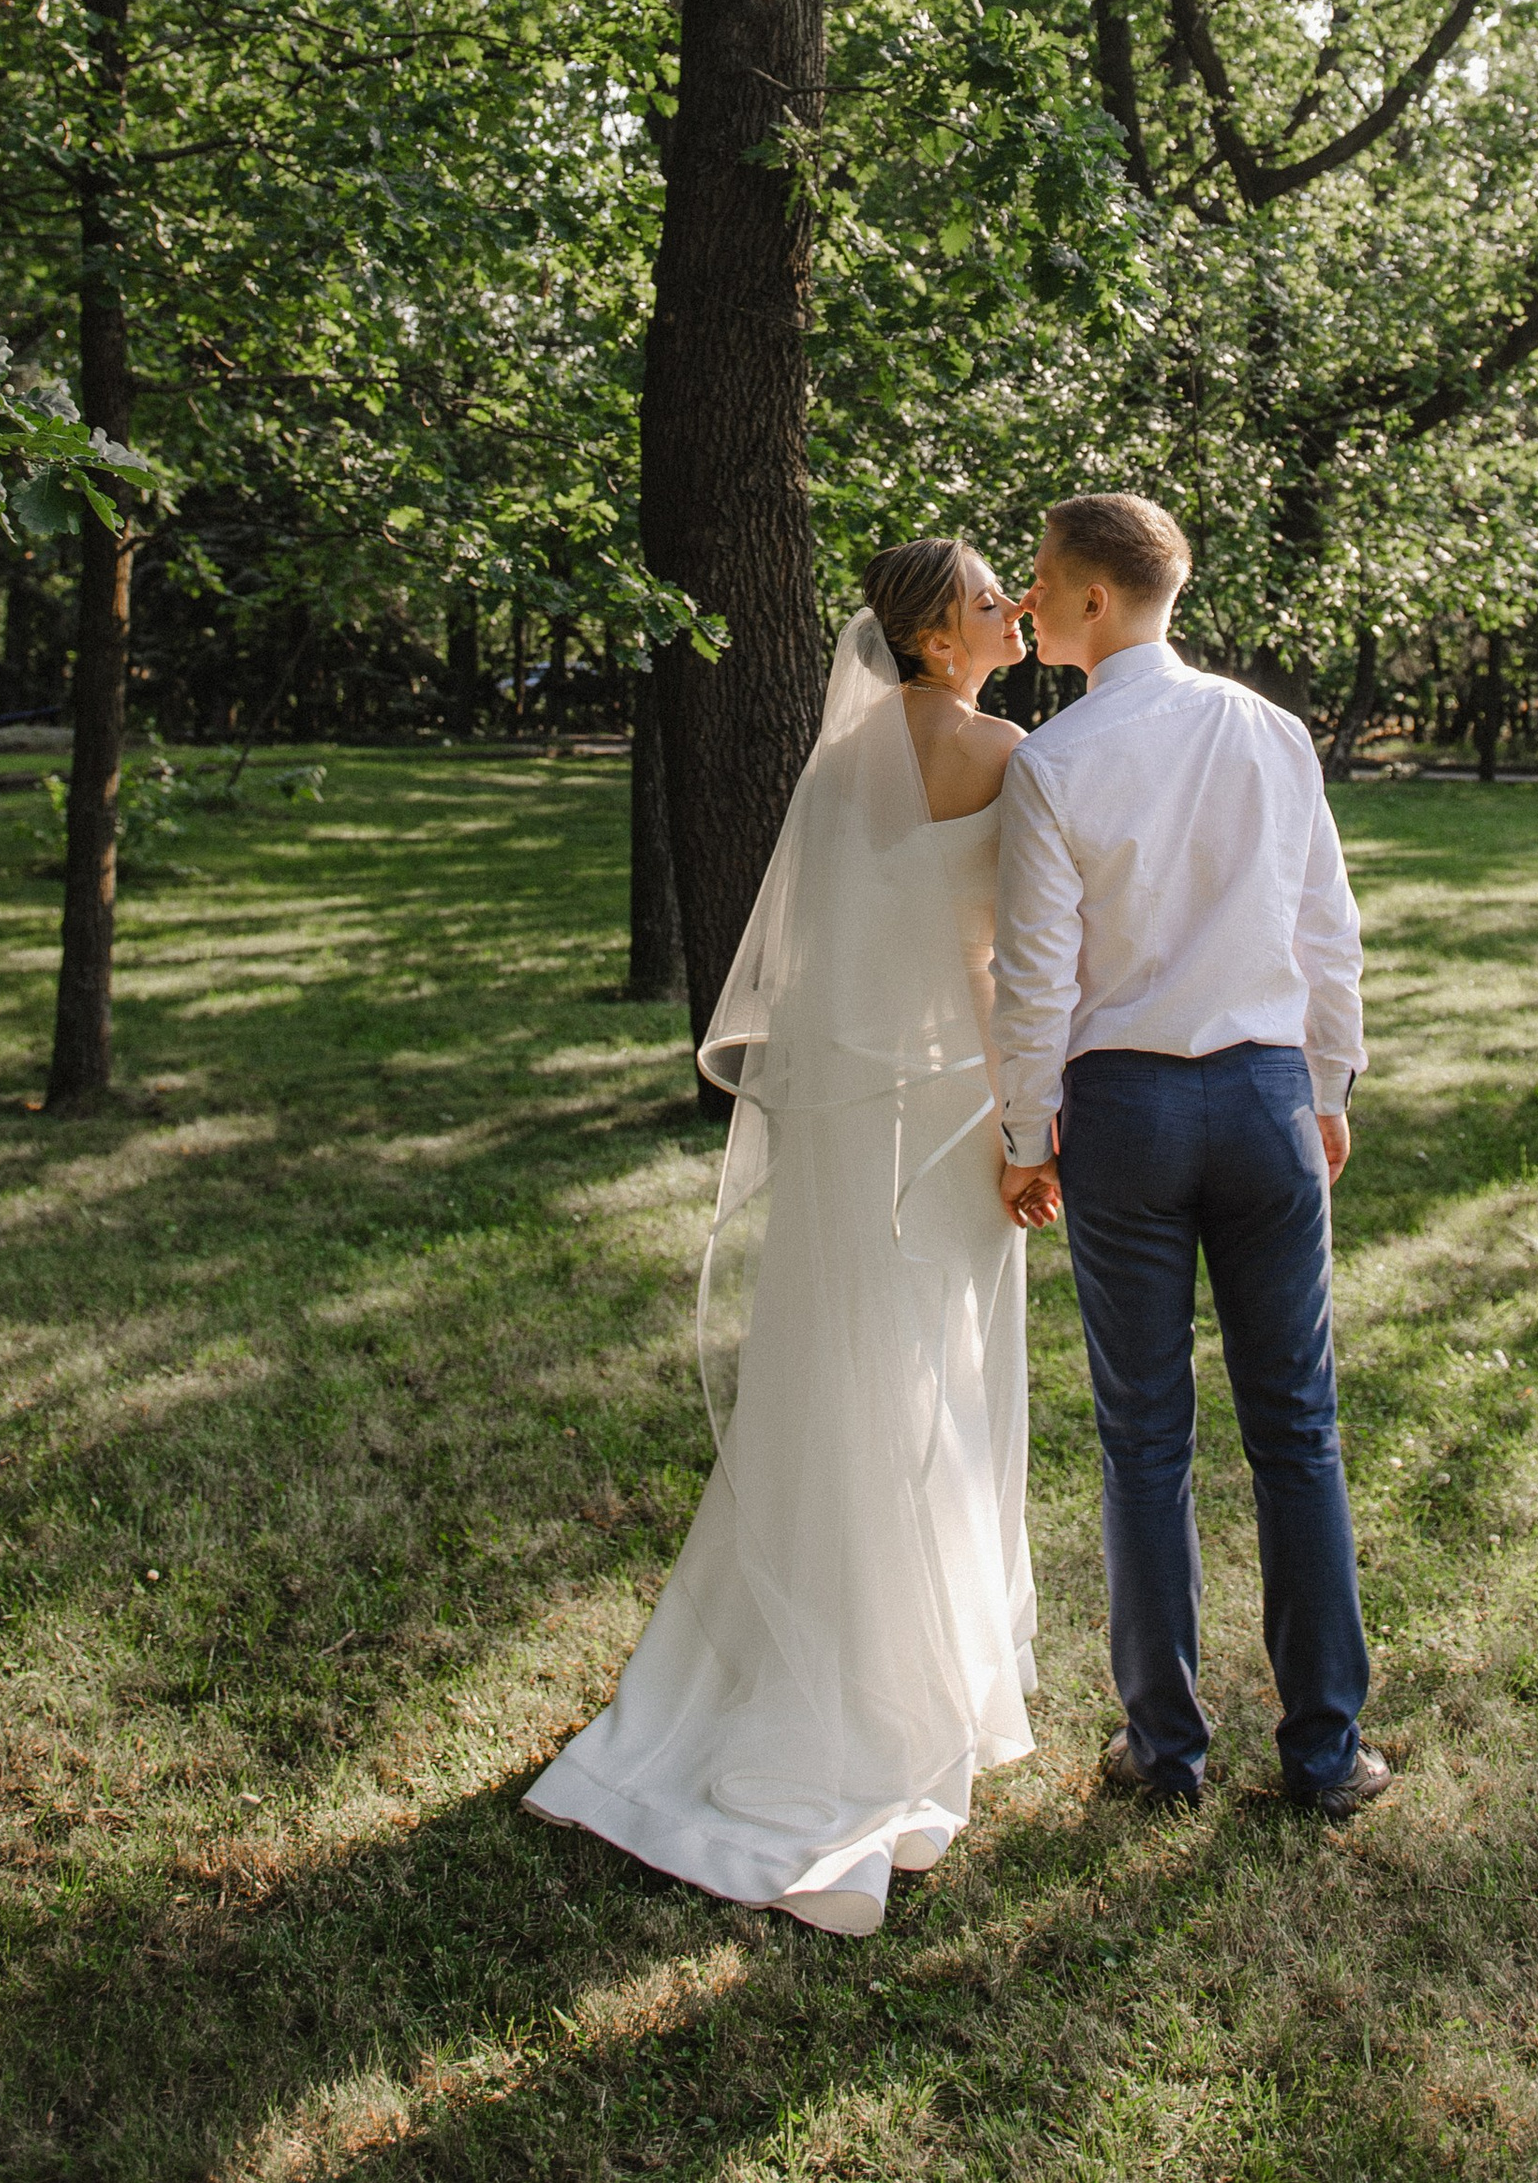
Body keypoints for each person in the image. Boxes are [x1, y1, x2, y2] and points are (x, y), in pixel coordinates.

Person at [524, 540, 1039, 1933]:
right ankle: (897, 1690)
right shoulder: (998, 752)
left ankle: (823, 1644)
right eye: (991, 597)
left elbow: (829, 955)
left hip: (846, 1124)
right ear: (936, 639)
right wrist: (1023, 1129)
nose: (1014, 609)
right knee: (928, 1379)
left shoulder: (843, 760)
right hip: (939, 1123)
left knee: (838, 1378)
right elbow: (1000, 958)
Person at [994, 491, 1390, 1817]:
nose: (1027, 601)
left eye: (1041, 581)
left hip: (1125, 1115)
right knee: (1299, 1428)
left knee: (1146, 1436)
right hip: (1270, 1100)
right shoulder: (1272, 733)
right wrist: (1328, 1084)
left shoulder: (1053, 762)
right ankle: (1328, 1752)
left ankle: (1166, 1752)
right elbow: (1329, 931)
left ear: (1096, 600)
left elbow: (1039, 980)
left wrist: (1018, 1133)